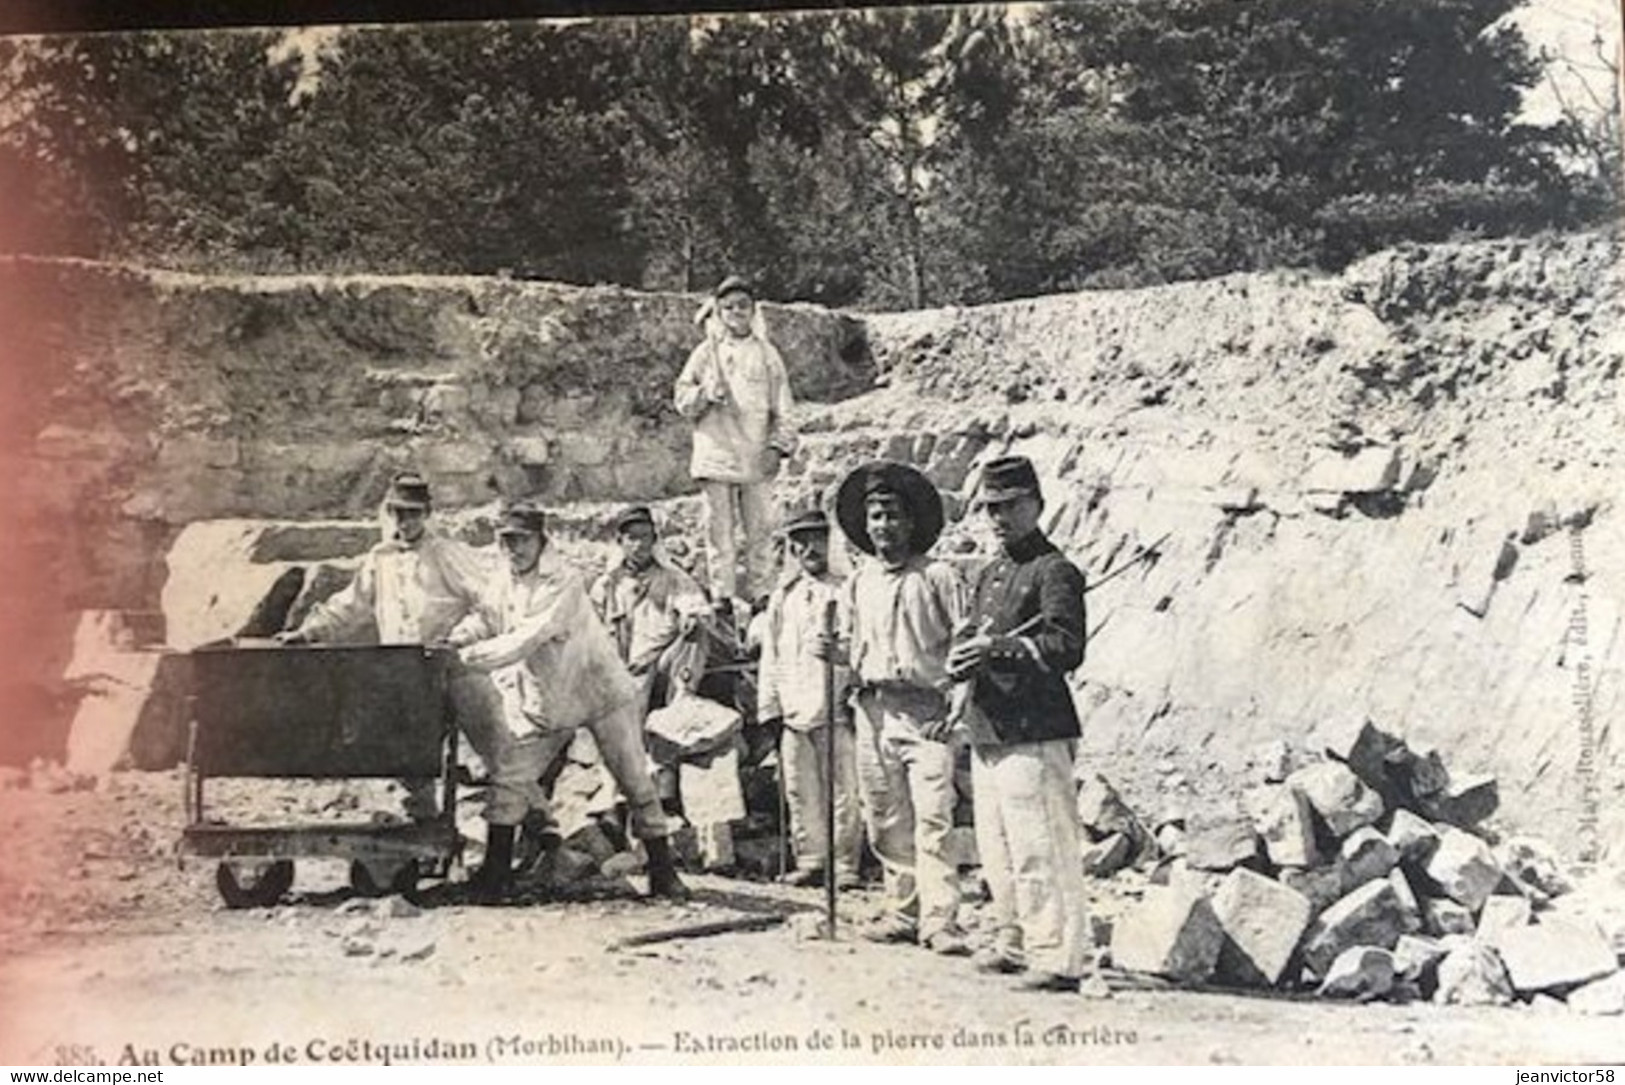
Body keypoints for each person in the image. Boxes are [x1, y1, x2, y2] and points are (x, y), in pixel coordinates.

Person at [447, 500, 689, 901]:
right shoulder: (503, 579)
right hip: (551, 699)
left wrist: (470, 656)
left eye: (522, 540)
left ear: (541, 540)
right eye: (507, 540)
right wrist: (459, 636)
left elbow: (530, 635)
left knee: (634, 780)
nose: (515, 549)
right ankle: (495, 875)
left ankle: (664, 874)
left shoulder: (563, 580)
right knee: (509, 777)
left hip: (600, 691)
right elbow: (487, 618)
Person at [947, 455, 1092, 992]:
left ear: (1037, 504)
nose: (999, 517)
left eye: (1010, 506)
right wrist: (966, 655)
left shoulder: (1055, 571)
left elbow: (1066, 647)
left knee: (1041, 846)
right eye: (990, 508)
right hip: (990, 725)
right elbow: (976, 640)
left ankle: (1058, 954)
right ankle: (1014, 938)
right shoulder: (989, 572)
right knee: (998, 846)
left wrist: (1001, 648)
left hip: (1035, 727)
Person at [276, 471, 489, 821]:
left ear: (428, 513)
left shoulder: (445, 554)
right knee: (410, 760)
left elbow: (487, 601)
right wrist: (309, 631)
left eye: (413, 513)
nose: (405, 521)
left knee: (495, 752)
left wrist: (458, 639)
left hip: (451, 670)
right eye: (398, 512)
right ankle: (423, 835)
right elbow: (351, 604)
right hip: (403, 673)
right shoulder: (382, 557)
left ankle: (540, 833)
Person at [833, 460, 972, 956]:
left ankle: (941, 920)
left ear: (911, 522)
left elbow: (966, 645)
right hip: (873, 712)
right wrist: (836, 658)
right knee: (886, 819)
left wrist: (955, 707)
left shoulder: (938, 577)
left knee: (934, 818)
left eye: (892, 515)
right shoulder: (857, 582)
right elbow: (851, 648)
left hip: (927, 713)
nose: (884, 526)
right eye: (875, 517)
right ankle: (902, 910)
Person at [673, 275, 796, 614]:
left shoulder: (767, 354)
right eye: (728, 307)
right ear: (719, 312)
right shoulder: (704, 355)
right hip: (715, 455)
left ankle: (762, 595)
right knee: (719, 532)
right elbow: (681, 400)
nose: (736, 312)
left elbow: (784, 406)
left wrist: (778, 446)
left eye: (743, 306)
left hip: (755, 455)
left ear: (753, 310)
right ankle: (722, 596)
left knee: (760, 530)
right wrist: (704, 395)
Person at [756, 508, 862, 891]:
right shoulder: (784, 597)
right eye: (799, 541)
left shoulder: (848, 589)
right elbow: (772, 653)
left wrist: (849, 685)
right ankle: (811, 858)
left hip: (835, 706)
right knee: (800, 789)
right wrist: (770, 707)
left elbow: (862, 646)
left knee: (843, 791)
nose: (808, 548)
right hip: (794, 708)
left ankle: (846, 863)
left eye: (816, 539)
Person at [589, 505, 711, 715]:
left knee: (697, 632)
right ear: (621, 542)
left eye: (645, 537)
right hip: (621, 666)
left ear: (654, 540)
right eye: (632, 538)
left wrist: (690, 617)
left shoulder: (672, 578)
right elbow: (590, 630)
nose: (639, 545)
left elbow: (695, 605)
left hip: (662, 663)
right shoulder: (606, 585)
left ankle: (681, 702)